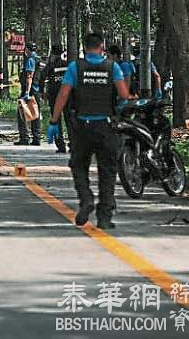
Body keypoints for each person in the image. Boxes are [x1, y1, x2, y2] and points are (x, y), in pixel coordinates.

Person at [47, 32, 132, 230]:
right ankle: (104, 217)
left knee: (78, 165)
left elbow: (63, 94)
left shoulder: (76, 67)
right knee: (108, 171)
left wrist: (54, 121)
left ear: (84, 48)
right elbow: (123, 95)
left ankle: (86, 199)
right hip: (106, 126)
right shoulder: (113, 67)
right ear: (102, 46)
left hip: (82, 127)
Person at [41, 44, 72, 153]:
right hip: (68, 97)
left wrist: (42, 92)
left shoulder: (50, 66)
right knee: (70, 121)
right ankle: (73, 144)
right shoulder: (68, 65)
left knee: (56, 121)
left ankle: (61, 145)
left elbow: (41, 77)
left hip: (55, 98)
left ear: (53, 54)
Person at [15, 42, 43, 146]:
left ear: (27, 49)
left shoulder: (31, 60)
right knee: (35, 114)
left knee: (22, 113)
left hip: (30, 91)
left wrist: (26, 91)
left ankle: (24, 137)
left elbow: (29, 76)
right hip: (37, 90)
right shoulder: (40, 61)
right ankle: (37, 138)